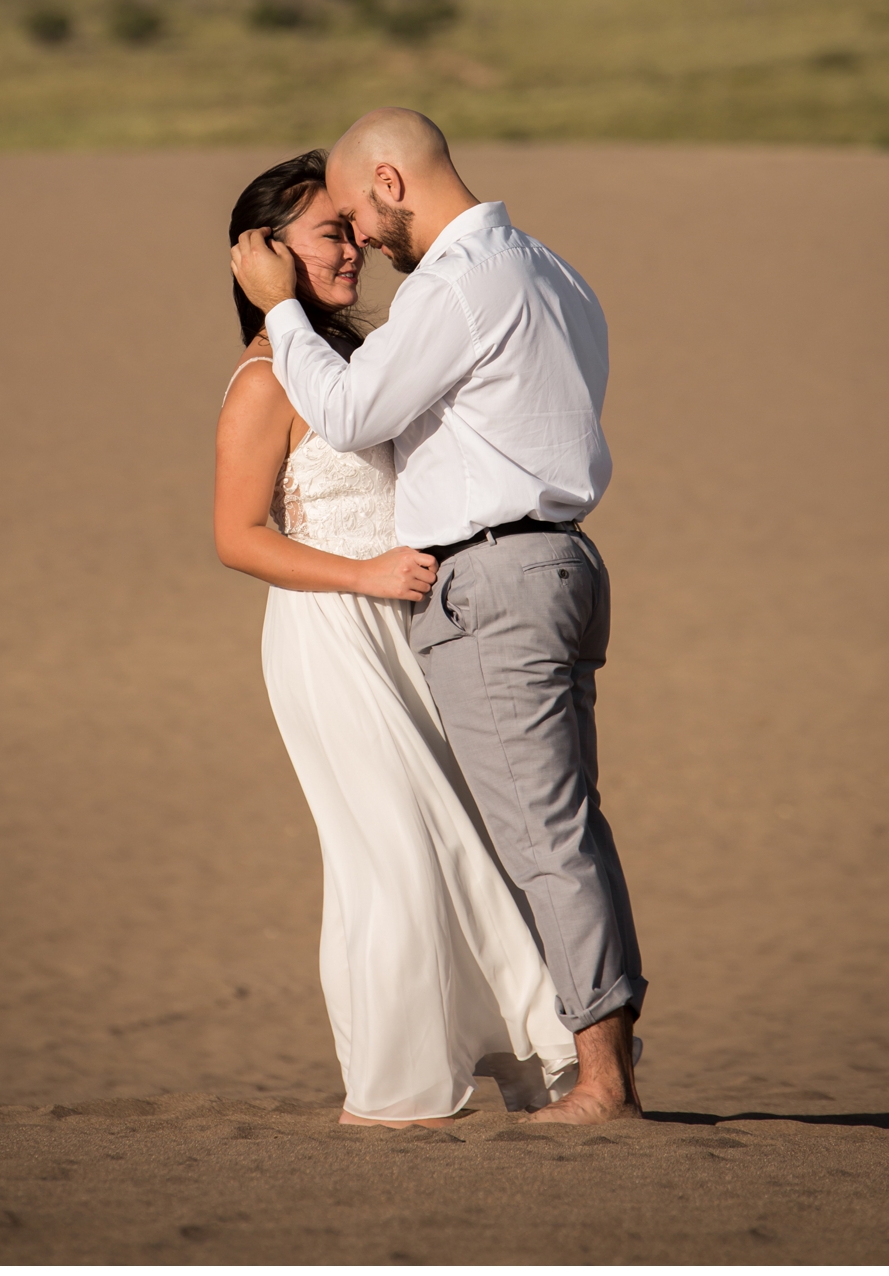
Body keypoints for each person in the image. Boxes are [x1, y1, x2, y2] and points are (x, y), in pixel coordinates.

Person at [229, 109, 643, 1126]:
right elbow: (240, 523)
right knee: (466, 841)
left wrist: (283, 312)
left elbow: (356, 415)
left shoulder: (453, 287)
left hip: (487, 585)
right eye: (330, 233)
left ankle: (593, 1079)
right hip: (471, 591)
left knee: (525, 838)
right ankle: (526, 1067)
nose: (361, 243)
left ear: (389, 181)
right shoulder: (551, 271)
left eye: (353, 219)